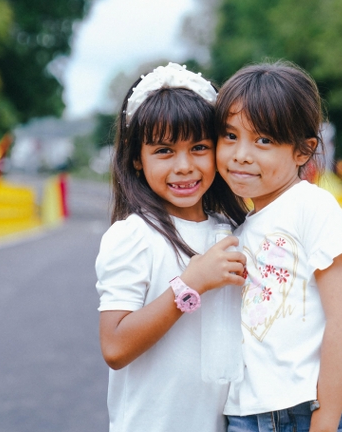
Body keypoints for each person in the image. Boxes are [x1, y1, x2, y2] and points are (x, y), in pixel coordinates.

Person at [214, 61, 342, 432]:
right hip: (251, 413)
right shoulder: (239, 230)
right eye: (229, 136)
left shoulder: (312, 206)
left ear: (303, 150)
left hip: (320, 410)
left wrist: (323, 424)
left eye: (263, 140)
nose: (241, 154)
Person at [94, 62, 249, 432]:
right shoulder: (133, 236)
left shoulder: (233, 232)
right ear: (137, 158)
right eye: (164, 151)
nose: (184, 166)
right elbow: (114, 347)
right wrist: (190, 285)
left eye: (199, 148)